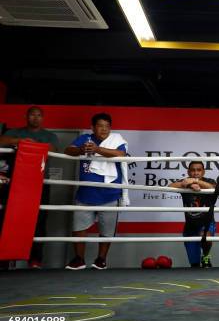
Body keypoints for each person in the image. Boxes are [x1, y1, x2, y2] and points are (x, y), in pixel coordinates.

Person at [64, 113, 127, 270]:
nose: (104, 129)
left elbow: (121, 154)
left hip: (110, 194)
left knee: (107, 230)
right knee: (79, 227)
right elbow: (68, 150)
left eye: (107, 126)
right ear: (93, 127)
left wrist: (97, 149)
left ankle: (101, 259)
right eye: (100, 126)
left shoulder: (117, 140)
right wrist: (80, 150)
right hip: (86, 192)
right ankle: (79, 259)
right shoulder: (85, 139)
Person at [0, 106, 60, 269]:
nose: (35, 118)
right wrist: (19, 142)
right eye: (32, 115)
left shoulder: (49, 136)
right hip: (14, 183)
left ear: (43, 118)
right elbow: (1, 141)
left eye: (38, 115)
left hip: (39, 183)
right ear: (26, 116)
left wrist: (32, 146)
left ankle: (35, 260)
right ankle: (5, 258)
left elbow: (53, 150)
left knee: (39, 221)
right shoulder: (14, 132)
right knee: (8, 219)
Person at [169, 161, 217, 268]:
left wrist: (195, 182)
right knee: (194, 264)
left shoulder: (209, 181)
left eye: (199, 170)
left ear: (203, 172)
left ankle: (205, 256)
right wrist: (187, 184)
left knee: (206, 237)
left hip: (207, 223)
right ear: (188, 172)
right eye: (193, 170)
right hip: (190, 225)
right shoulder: (185, 182)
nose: (196, 173)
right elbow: (170, 186)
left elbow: (213, 188)